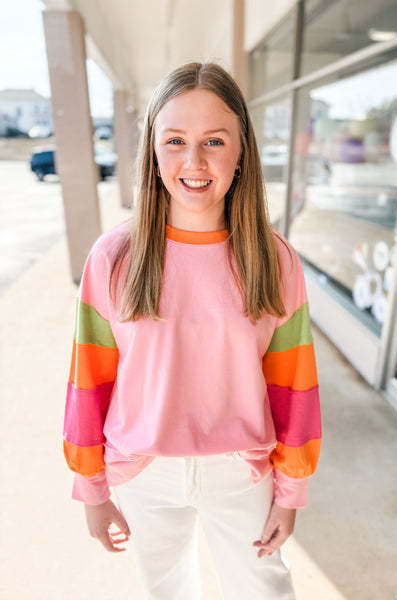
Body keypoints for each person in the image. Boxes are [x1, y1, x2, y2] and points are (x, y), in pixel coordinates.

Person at [63, 61, 321, 600]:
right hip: (143, 471)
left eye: (214, 141)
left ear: (241, 151)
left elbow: (294, 387)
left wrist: (290, 490)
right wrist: (91, 486)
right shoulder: (114, 258)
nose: (194, 161)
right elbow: (88, 383)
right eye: (175, 140)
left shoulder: (274, 261)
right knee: (168, 593)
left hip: (242, 472)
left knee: (266, 592)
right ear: (153, 150)